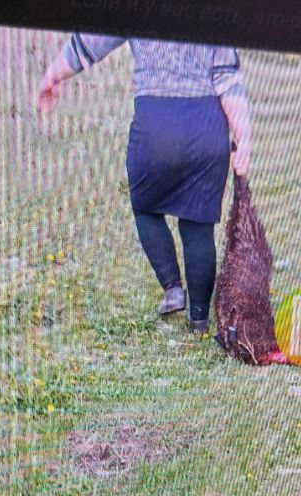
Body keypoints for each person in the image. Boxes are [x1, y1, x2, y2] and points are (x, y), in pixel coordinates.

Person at [36, 35, 252, 335]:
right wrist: (244, 139)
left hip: (156, 125)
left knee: (145, 207)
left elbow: (90, 42)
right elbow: (227, 79)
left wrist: (53, 75)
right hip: (206, 128)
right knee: (198, 224)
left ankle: (172, 287)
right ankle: (199, 321)